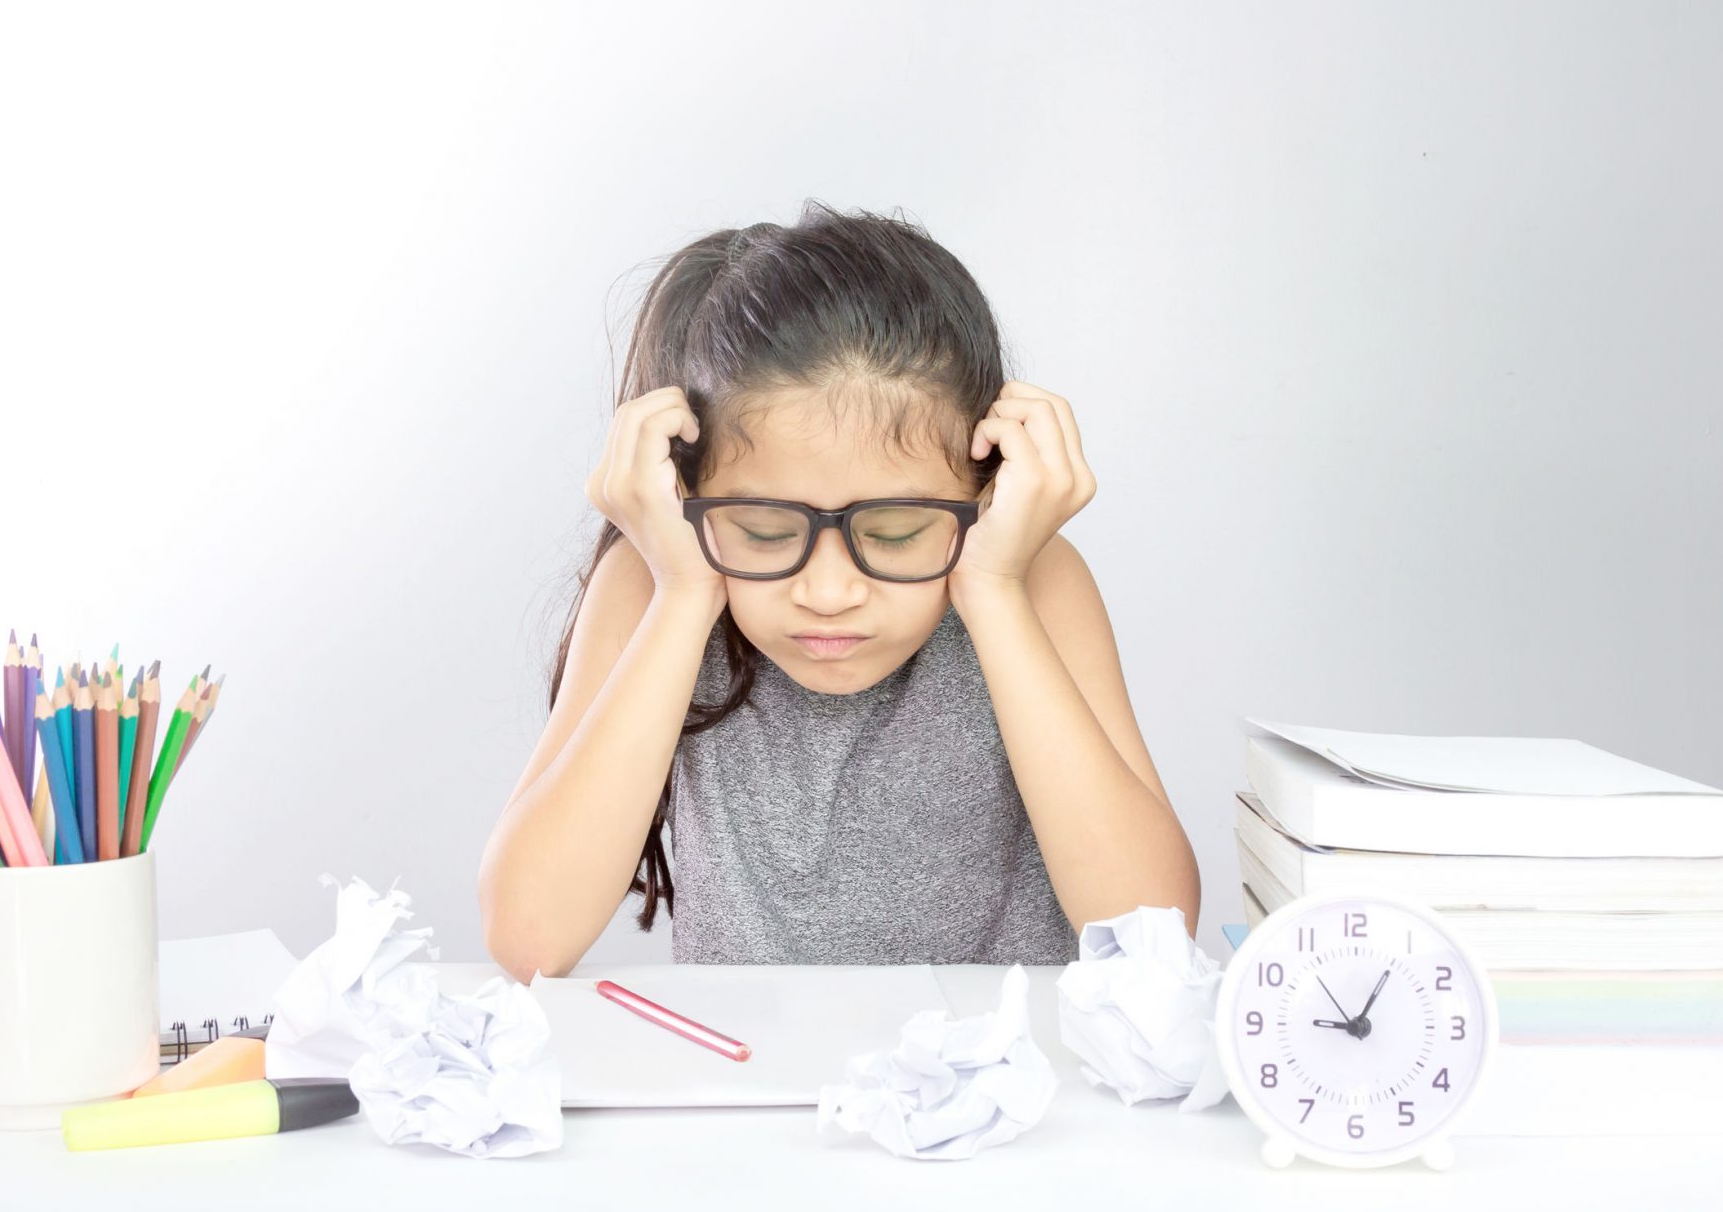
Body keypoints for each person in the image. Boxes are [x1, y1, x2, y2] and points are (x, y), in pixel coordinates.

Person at [480, 202, 1197, 980]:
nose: (827, 590)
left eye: (893, 533)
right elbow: (529, 937)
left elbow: (1150, 932)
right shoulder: (663, 575)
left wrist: (993, 590)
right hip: (751, 1090)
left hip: (1002, 1091)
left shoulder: (1031, 577)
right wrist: (685, 595)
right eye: (764, 531)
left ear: (982, 495)